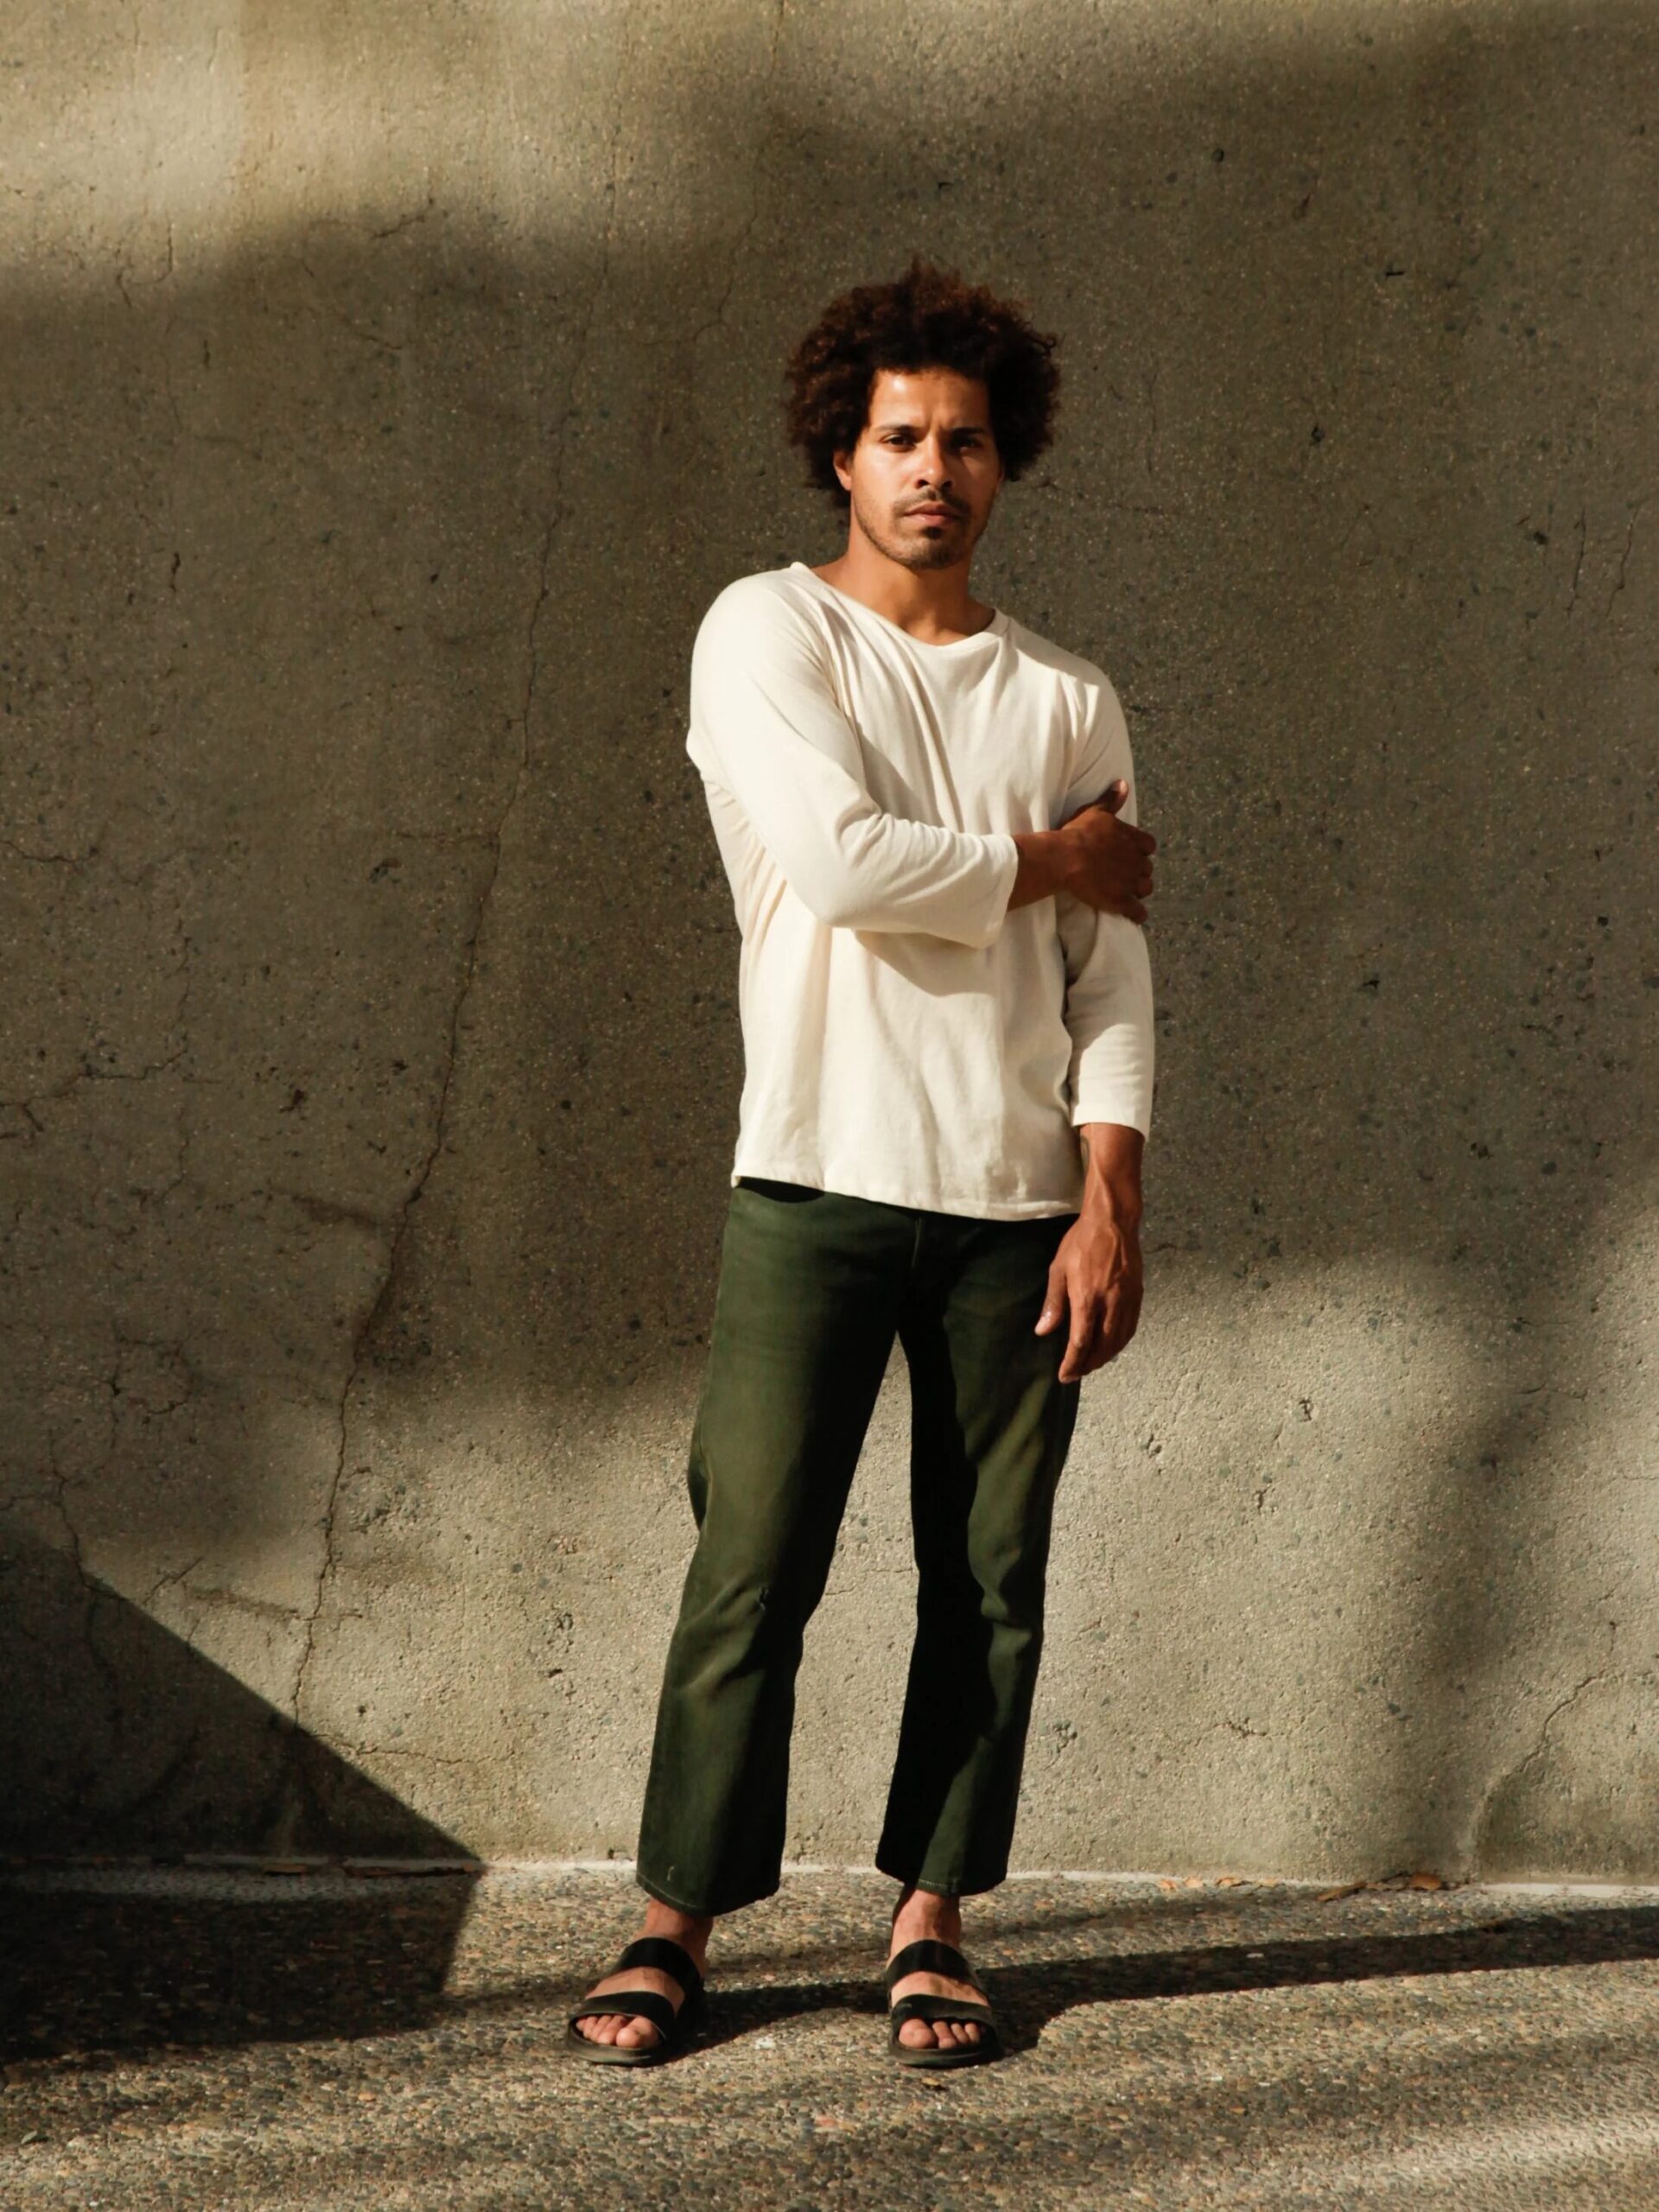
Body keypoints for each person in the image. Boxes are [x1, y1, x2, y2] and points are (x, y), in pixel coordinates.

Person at [568, 255, 1158, 2069]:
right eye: (901, 434)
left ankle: (932, 1917)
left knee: (991, 1575)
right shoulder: (765, 632)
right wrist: (1049, 862)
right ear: (844, 449)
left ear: (1008, 460)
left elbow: (1113, 976)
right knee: (750, 1557)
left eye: (966, 440)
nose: (934, 469)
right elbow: (838, 862)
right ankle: (678, 1917)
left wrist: (1112, 1194)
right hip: (814, 1180)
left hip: (1015, 1210)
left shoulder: (1071, 697)